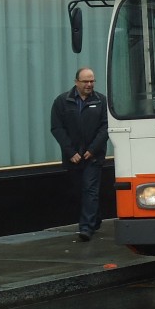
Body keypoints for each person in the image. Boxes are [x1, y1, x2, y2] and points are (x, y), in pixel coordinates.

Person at [51, 67, 108, 242]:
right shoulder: (62, 102)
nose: (89, 85)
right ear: (76, 82)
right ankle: (95, 219)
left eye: (92, 81)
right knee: (79, 191)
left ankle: (86, 227)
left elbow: (106, 127)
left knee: (89, 189)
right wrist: (70, 152)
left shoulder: (101, 101)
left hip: (94, 156)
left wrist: (92, 149)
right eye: (85, 81)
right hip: (73, 157)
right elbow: (57, 128)